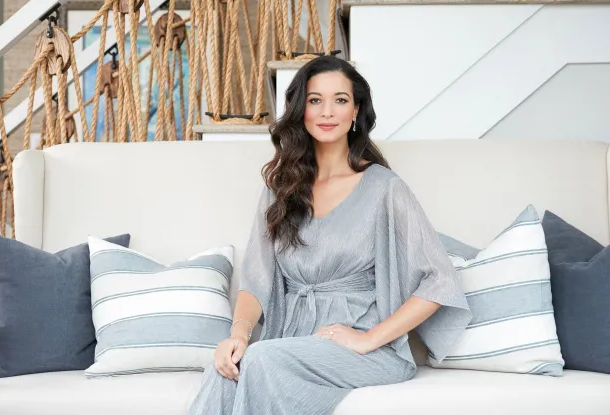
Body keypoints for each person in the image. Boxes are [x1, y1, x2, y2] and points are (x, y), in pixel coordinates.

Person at [189, 56, 472, 415]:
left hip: (366, 351)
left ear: (355, 111)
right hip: (290, 339)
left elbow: (441, 280)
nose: (327, 111)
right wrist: (238, 334)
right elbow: (256, 279)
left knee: (260, 360)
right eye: (315, 100)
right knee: (226, 370)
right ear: (301, 111)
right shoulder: (281, 189)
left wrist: (368, 338)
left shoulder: (385, 188)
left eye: (340, 100)